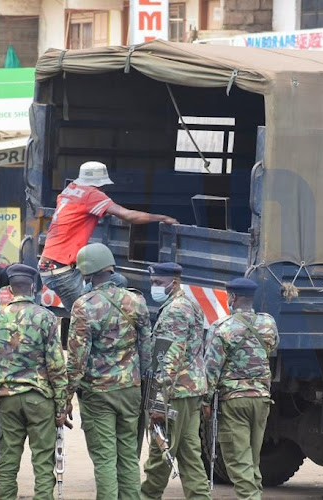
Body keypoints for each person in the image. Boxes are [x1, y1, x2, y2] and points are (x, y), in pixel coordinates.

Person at [66, 243, 153, 500]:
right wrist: (143, 385)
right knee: (128, 455)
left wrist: (67, 393)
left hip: (98, 393)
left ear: (87, 274)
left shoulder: (84, 305)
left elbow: (76, 357)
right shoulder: (137, 301)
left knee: (104, 458)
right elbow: (146, 352)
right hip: (130, 390)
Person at [0, 264, 68, 499]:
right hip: (40, 399)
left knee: (8, 459)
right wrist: (61, 404)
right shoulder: (46, 317)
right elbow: (56, 365)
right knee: (43, 460)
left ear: (9, 288)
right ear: (34, 287)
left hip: (8, 399)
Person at [39, 161, 178, 310]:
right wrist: (162, 218)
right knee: (85, 315)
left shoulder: (71, 189)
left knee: (118, 282)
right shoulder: (92, 195)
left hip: (60, 264)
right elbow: (128, 215)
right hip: (61, 271)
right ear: (100, 183)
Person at [203, 278, 279, 500]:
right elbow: (272, 346)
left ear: (232, 298)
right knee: (252, 462)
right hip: (262, 399)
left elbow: (211, 369)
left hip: (235, 401)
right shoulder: (268, 323)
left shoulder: (222, 328)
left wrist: (205, 401)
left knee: (238, 461)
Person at [140, 263, 211, 500]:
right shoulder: (190, 304)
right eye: (153, 283)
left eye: (159, 283)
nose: (155, 287)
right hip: (190, 391)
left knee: (161, 452)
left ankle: (148, 496)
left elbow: (169, 357)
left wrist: (159, 400)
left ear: (175, 282)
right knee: (190, 454)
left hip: (176, 395)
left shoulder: (175, 310)